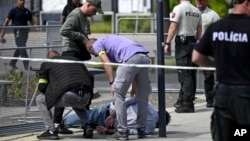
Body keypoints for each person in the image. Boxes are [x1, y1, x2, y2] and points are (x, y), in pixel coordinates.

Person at [192, 0, 250, 140]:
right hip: (246, 94)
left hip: (223, 94)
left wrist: (216, 64)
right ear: (247, 3)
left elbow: (196, 57)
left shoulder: (217, 27)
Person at [85, 35, 152, 140]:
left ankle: (122, 131)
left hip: (130, 59)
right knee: (142, 97)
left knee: (118, 95)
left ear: (91, 48)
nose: (93, 55)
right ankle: (141, 130)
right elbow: (133, 69)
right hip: (143, 57)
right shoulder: (110, 41)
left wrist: (112, 83)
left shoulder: (97, 45)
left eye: (91, 52)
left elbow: (107, 63)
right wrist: (134, 87)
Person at [56, 0, 103, 133]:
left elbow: (85, 36)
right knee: (66, 86)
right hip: (70, 53)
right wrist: (82, 38)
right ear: (88, 5)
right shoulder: (76, 14)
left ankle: (86, 122)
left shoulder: (85, 19)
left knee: (87, 82)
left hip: (79, 55)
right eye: (94, 10)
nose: (94, 14)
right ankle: (58, 123)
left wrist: (89, 46)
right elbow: (64, 30)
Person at [36, 50, 94, 140]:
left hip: (70, 94)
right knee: (77, 102)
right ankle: (87, 126)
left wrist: (51, 89)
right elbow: (90, 77)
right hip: (86, 95)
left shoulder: (47, 64)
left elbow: (42, 87)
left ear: (49, 58)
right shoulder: (75, 60)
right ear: (59, 55)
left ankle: (51, 131)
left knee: (40, 99)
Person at [164, 0, 202, 113]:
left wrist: (167, 43)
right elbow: (199, 30)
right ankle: (184, 100)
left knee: (184, 74)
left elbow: (173, 27)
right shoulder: (196, 11)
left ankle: (187, 103)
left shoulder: (178, 8)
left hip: (183, 43)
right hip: (193, 42)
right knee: (191, 73)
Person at [63, 97, 171, 135]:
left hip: (109, 110)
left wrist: (112, 115)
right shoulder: (150, 129)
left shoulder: (147, 103)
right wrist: (107, 131)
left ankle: (62, 123)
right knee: (87, 119)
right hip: (110, 126)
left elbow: (126, 101)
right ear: (159, 126)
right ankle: (85, 126)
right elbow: (128, 131)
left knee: (87, 116)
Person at [196, 0, 220, 108]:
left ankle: (210, 99)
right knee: (188, 75)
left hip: (207, 48)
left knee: (208, 75)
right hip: (193, 46)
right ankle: (187, 99)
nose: (199, 2)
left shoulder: (213, 15)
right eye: (198, 0)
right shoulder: (192, 12)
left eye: (202, 0)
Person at [0, 0, 36, 70]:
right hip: (18, 32)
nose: (22, 2)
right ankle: (27, 65)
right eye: (20, 0)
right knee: (22, 47)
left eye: (23, 0)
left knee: (20, 47)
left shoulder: (26, 11)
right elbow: (7, 20)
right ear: (17, 1)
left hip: (25, 32)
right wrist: (3, 31)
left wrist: (36, 27)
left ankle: (12, 62)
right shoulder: (13, 10)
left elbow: (31, 20)